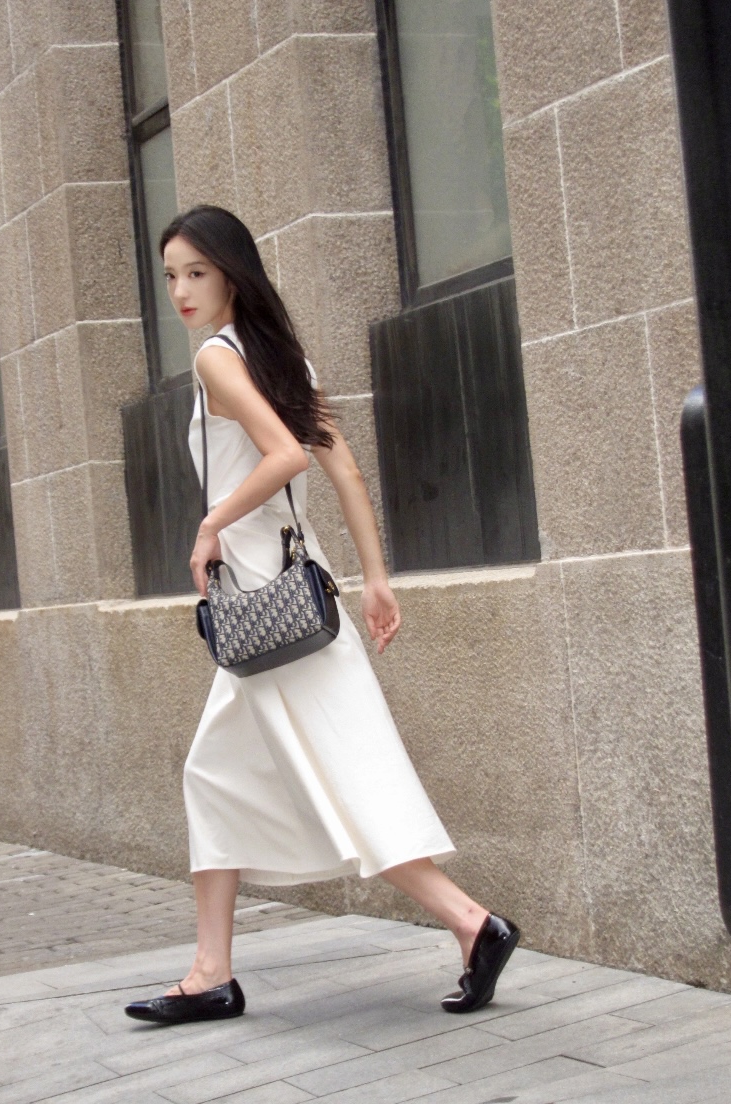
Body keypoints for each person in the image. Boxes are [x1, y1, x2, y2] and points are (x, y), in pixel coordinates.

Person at [124, 205, 519, 1026]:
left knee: (342, 778)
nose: (181, 291)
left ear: (233, 274)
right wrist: (373, 579)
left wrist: (209, 523)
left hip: (266, 610)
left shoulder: (217, 359)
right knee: (216, 774)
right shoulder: (284, 358)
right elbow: (345, 473)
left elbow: (287, 456)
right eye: (171, 276)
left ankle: (471, 922)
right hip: (300, 601)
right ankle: (211, 973)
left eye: (197, 272)